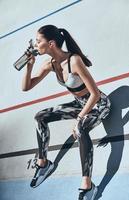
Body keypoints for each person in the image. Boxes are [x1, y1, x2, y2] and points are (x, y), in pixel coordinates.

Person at [22, 25, 111, 200]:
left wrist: (79, 119)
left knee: (80, 129)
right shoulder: (51, 64)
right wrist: (29, 66)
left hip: (99, 104)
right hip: (79, 104)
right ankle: (43, 163)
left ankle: (87, 184)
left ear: (51, 43)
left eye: (38, 41)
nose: (35, 45)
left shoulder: (74, 60)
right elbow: (26, 87)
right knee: (40, 116)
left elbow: (95, 93)